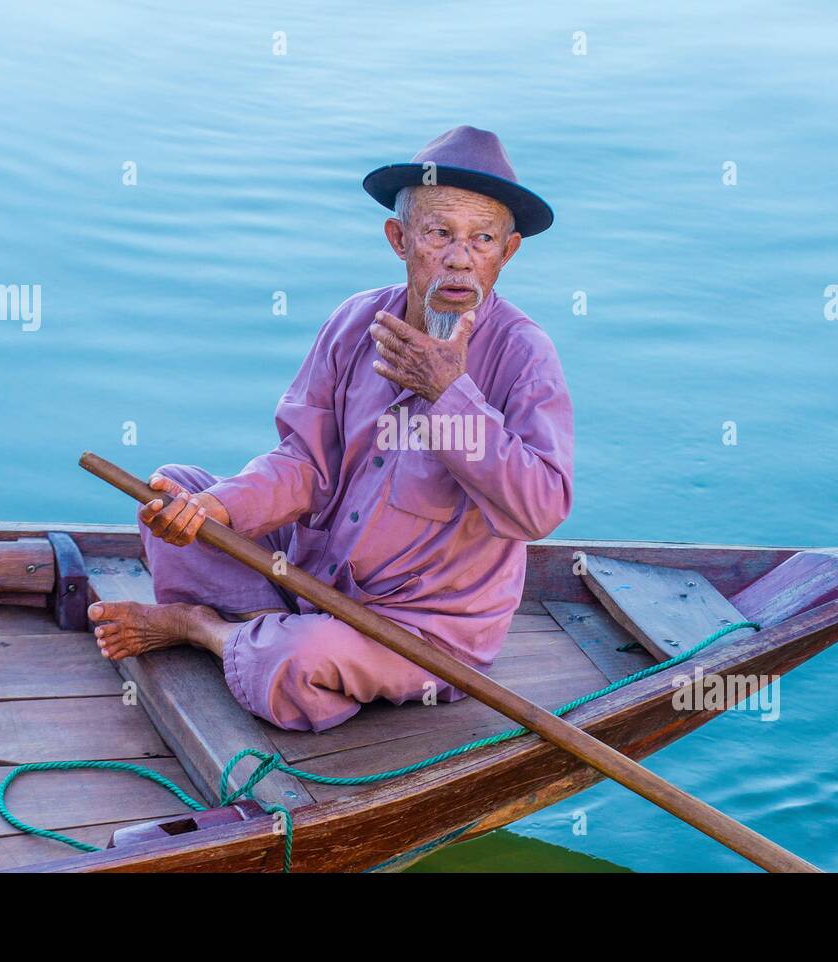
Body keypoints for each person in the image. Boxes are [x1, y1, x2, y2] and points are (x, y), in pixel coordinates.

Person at [88, 126, 575, 732]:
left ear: (509, 252)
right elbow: (304, 464)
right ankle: (267, 627)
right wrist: (214, 508)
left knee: (298, 659)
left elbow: (542, 509)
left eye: (482, 239)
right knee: (168, 494)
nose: (459, 257)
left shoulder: (525, 354)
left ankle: (202, 627)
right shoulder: (354, 321)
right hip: (306, 577)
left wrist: (448, 393)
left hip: (419, 629)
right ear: (400, 239)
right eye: (439, 234)